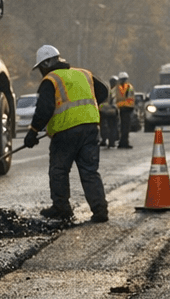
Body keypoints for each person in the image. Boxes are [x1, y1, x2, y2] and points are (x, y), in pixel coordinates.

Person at [25, 44, 109, 223]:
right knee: (89, 171)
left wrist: (32, 132)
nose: (41, 71)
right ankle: (100, 210)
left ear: (46, 63)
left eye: (41, 67)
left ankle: (62, 209)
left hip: (66, 132)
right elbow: (104, 92)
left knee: (59, 170)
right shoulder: (84, 73)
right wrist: (87, 108)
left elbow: (44, 109)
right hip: (91, 127)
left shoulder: (51, 79)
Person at [113, 71, 135, 148]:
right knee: (125, 127)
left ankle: (123, 142)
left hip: (121, 108)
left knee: (123, 127)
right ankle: (124, 143)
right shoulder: (129, 87)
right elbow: (130, 98)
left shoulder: (117, 88)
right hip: (126, 109)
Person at [99, 76, 121, 149]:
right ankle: (111, 142)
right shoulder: (116, 90)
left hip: (104, 111)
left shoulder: (107, 88)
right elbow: (115, 101)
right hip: (112, 111)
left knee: (104, 127)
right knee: (112, 127)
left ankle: (105, 140)